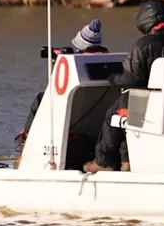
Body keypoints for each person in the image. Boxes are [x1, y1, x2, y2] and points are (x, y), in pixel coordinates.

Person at [87, 0, 164, 172]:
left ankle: (104, 161)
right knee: (128, 104)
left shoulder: (143, 45)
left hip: (154, 106)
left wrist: (112, 78)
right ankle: (127, 161)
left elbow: (132, 81)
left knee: (116, 109)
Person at [15, 19, 107, 149]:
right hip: (97, 113)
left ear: (79, 47)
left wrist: (60, 63)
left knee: (41, 98)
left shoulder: (76, 60)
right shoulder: (108, 59)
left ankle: (27, 139)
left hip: (73, 106)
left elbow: (58, 88)